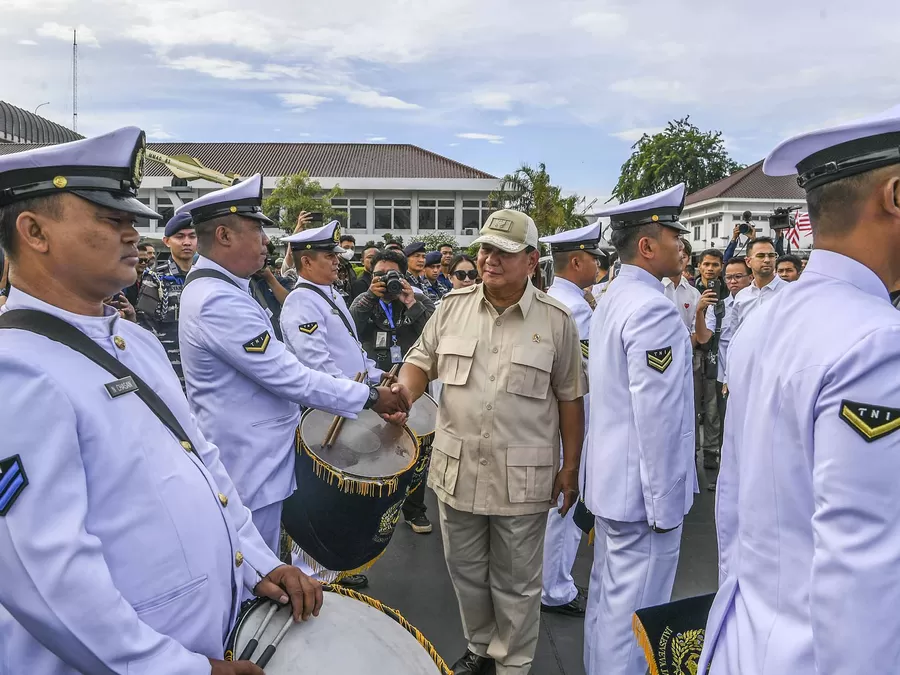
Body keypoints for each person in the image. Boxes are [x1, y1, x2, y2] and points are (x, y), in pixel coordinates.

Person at [0, 127, 321, 675]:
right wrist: (175, 670)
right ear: (34, 231)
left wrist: (258, 562)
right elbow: (45, 573)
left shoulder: (135, 342)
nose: (134, 235)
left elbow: (204, 464)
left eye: (131, 220)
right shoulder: (16, 370)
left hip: (198, 637)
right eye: (111, 220)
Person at [698, 105, 900, 675]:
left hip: (750, 634)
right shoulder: (878, 342)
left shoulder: (768, 318)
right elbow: (862, 567)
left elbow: (735, 504)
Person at [176, 174, 411, 566]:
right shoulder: (217, 300)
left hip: (262, 457)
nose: (267, 242)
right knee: (257, 572)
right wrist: (370, 396)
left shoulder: (226, 289)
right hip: (251, 464)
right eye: (257, 231)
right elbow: (291, 375)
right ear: (224, 235)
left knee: (271, 562)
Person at [397, 209, 587, 675]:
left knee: (518, 582)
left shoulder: (557, 321)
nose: (489, 259)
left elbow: (570, 399)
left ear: (531, 260)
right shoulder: (451, 307)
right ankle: (480, 647)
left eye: (504, 252)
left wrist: (571, 467)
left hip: (521, 475)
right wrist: (403, 392)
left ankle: (513, 664)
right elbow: (420, 362)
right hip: (457, 468)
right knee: (465, 571)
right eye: (485, 249)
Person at [584, 184, 697, 675]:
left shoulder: (614, 295)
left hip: (614, 483)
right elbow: (660, 419)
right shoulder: (653, 307)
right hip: (643, 495)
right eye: (675, 235)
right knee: (635, 616)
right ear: (648, 245)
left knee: (609, 601)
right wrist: (666, 504)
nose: (682, 246)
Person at [537, 222, 607, 619]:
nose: (599, 265)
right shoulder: (576, 308)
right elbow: (587, 374)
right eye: (594, 258)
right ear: (577, 261)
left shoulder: (553, 300)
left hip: (552, 417)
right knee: (564, 507)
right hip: (573, 420)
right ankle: (556, 587)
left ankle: (549, 580)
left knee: (554, 506)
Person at [694, 256, 752, 490]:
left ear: (749, 277)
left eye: (739, 276)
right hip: (722, 373)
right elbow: (704, 337)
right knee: (718, 422)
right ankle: (720, 472)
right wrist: (700, 311)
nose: (733, 281)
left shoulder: (763, 303)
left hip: (752, 375)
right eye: (729, 277)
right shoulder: (719, 306)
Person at [350, 249, 435, 373]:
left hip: (412, 373)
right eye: (379, 274)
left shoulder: (419, 300)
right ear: (372, 276)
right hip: (374, 373)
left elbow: (432, 336)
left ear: (403, 277)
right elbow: (350, 331)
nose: (385, 279)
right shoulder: (364, 300)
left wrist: (411, 304)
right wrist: (370, 298)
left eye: (392, 274)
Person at [134, 211, 194, 386]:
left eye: (192, 236)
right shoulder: (155, 278)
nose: (187, 242)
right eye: (180, 237)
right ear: (167, 241)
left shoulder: (205, 276)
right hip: (170, 366)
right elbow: (145, 325)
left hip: (203, 367)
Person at [730, 235, 786, 333]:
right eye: (760, 256)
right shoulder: (741, 296)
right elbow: (736, 333)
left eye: (771, 255)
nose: (767, 260)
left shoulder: (789, 291)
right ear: (748, 262)